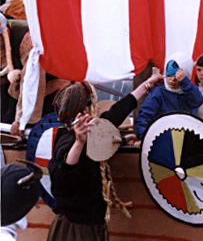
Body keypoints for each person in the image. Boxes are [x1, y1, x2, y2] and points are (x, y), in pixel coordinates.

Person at [47, 74, 162, 241]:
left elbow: (118, 111)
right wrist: (79, 143)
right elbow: (62, 177)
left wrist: (147, 85)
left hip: (90, 223)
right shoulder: (68, 139)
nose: (98, 108)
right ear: (85, 110)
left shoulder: (94, 132)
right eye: (93, 104)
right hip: (75, 229)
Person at [134, 54, 203, 140]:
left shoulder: (188, 90)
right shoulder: (158, 93)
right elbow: (144, 117)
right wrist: (144, 139)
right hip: (161, 139)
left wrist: (184, 82)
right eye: (169, 75)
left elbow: (198, 101)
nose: (172, 80)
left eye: (176, 77)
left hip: (185, 139)